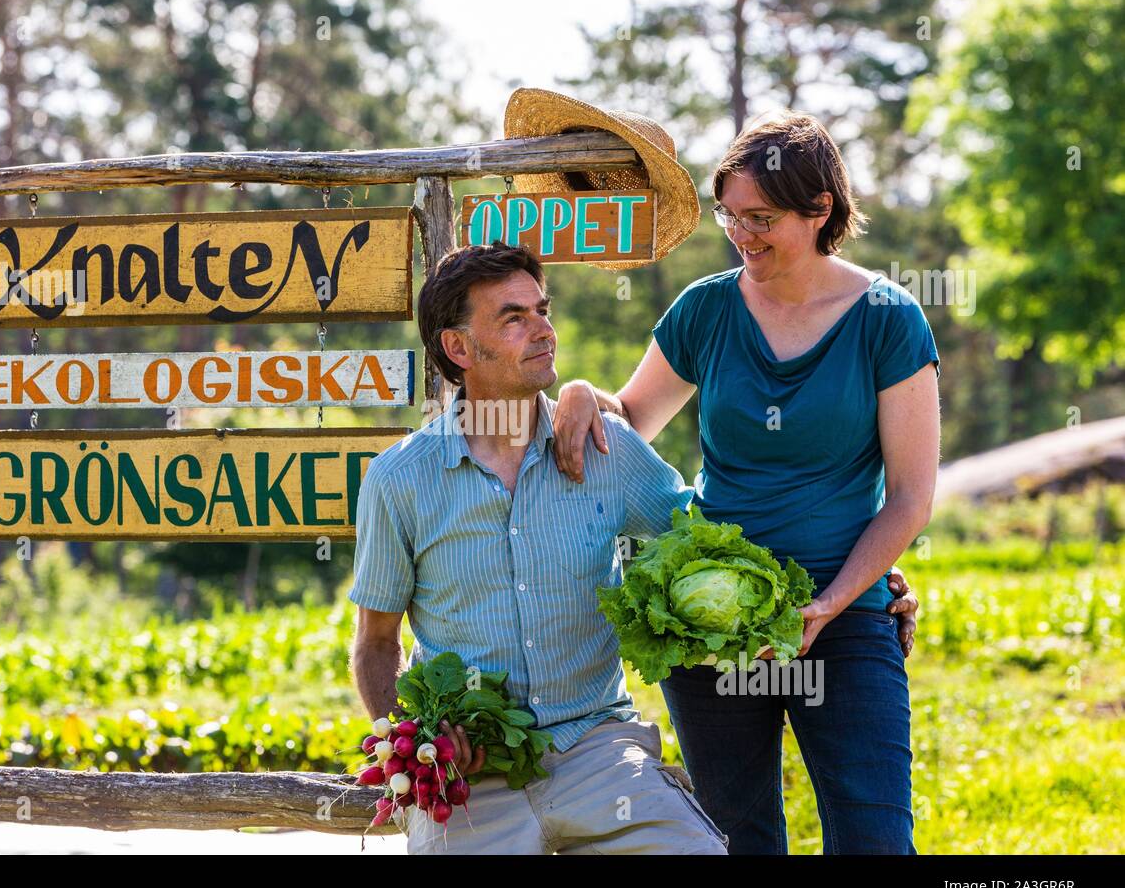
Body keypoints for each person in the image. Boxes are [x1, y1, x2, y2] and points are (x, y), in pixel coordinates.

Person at [347, 241, 919, 854]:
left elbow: (714, 546)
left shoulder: (607, 451)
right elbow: (375, 644)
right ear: (458, 348)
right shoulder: (399, 480)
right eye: (514, 318)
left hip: (600, 751)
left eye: (543, 310)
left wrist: (861, 575)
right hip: (474, 776)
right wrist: (415, 738)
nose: (544, 330)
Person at [551, 111, 940, 854]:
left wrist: (827, 605)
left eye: (761, 218)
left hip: (845, 616)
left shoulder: (887, 320)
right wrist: (578, 391)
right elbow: (630, 417)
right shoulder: (706, 309)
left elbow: (910, 499)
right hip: (711, 625)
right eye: (730, 215)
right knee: (740, 840)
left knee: (875, 839)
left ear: (819, 209)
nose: (741, 235)